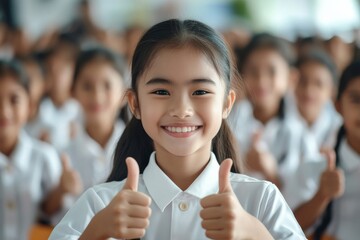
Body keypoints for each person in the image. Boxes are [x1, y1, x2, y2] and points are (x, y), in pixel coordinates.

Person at [49, 19, 305, 240]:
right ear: (135, 104)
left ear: (227, 104)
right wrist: (95, 232)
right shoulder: (102, 205)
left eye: (200, 91)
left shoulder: (260, 200)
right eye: (161, 91)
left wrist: (256, 233)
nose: (181, 109)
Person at [0, 59, 79, 240]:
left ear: (30, 106)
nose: (4, 111)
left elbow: (50, 212)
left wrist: (61, 190)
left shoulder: (44, 156)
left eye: (14, 100)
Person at [51, 47, 127, 224]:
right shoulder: (61, 152)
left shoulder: (141, 148)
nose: (97, 96)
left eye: (107, 86)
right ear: (72, 92)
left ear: (125, 95)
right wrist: (61, 190)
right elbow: (45, 211)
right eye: (87, 86)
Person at [289, 60, 360, 240]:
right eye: (356, 99)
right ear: (338, 106)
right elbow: (284, 228)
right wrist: (322, 196)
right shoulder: (313, 169)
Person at [228, 33, 302, 189]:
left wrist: (270, 172)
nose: (261, 81)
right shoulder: (229, 121)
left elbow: (297, 200)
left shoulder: (299, 133)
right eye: (253, 71)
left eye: (272, 72)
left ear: (291, 78)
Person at [294, 50, 342, 160]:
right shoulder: (280, 121)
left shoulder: (339, 130)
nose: (308, 90)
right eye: (303, 81)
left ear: (332, 92)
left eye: (318, 84)